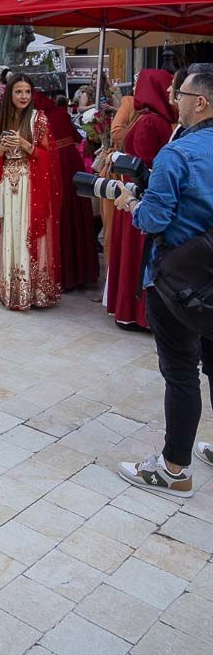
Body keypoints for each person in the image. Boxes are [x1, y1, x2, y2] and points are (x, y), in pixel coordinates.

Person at [116, 69, 213, 498]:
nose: (176, 99)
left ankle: (175, 468)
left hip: (177, 279)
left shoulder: (179, 153)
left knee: (180, 372)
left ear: (202, 102)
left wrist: (131, 202)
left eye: (183, 93)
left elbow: (153, 219)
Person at [0, 73, 62, 311]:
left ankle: (32, 289)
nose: (23, 96)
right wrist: (0, 150)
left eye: (27, 91)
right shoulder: (1, 120)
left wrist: (25, 145)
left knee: (27, 233)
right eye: (18, 91)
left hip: (30, 184)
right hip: (8, 183)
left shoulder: (38, 119)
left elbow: (50, 156)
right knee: (8, 232)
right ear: (10, 94)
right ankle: (10, 288)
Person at [105, 69, 175, 331]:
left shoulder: (145, 120)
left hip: (135, 194)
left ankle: (134, 311)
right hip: (139, 194)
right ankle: (139, 313)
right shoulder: (152, 121)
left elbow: (142, 162)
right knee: (138, 254)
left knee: (134, 254)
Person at [36, 92, 99, 291]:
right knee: (76, 216)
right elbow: (75, 136)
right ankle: (81, 272)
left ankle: (63, 274)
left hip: (54, 167)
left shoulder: (39, 118)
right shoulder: (60, 114)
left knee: (59, 216)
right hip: (72, 164)